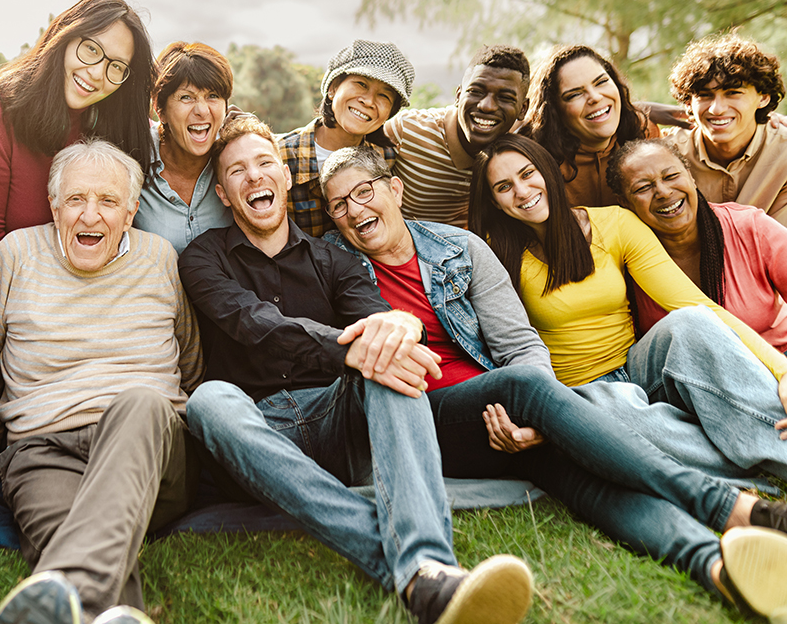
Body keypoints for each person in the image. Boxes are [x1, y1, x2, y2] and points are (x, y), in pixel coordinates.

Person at [318, 145, 787, 615]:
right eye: (339, 205)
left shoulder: (459, 248)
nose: (355, 210)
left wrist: (534, 422)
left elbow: (519, 346)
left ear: (395, 190)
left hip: (501, 414)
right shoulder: (334, 268)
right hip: (425, 416)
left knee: (588, 483)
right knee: (521, 386)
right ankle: (729, 508)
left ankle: (717, 570)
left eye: (364, 191)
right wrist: (530, 397)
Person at [180, 115, 535, 624]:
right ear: (224, 193)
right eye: (238, 172)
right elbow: (253, 321)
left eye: (264, 163)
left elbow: (379, 320)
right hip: (258, 429)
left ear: (284, 175)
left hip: (337, 421)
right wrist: (347, 349)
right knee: (208, 400)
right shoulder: (201, 257)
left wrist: (396, 331)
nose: (254, 177)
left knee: (391, 364)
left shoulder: (335, 260)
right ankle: (415, 572)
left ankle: (428, 565)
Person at [468, 133, 787, 482]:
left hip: (638, 369)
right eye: (503, 186)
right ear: (495, 203)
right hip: (578, 394)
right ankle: (745, 466)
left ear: (547, 170)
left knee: (690, 321)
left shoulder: (615, 224)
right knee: (618, 413)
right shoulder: (493, 255)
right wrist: (544, 414)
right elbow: (507, 347)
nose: (522, 191)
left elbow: (694, 302)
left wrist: (783, 372)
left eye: (528, 173)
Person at [0, 139, 201, 624]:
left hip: (147, 444)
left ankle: (67, 592)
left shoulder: (159, 258)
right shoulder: (14, 256)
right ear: (54, 206)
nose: (90, 215)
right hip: (42, 450)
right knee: (76, 537)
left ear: (132, 209)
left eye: (108, 201)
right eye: (76, 199)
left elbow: (191, 362)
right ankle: (106, 610)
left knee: (139, 402)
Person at [0, 0, 155, 279]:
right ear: (64, 38)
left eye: (116, 67)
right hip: (23, 299)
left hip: (109, 295)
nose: (98, 73)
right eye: (90, 49)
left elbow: (168, 132)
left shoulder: (118, 121)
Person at [607, 137, 787, 349]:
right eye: (643, 187)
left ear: (690, 177)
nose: (664, 192)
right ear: (625, 202)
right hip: (685, 377)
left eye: (671, 176)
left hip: (776, 363)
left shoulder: (750, 227)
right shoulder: (622, 261)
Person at [384, 45, 529, 227]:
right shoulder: (407, 131)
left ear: (523, 109)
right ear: (459, 96)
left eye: (505, 97)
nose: (487, 106)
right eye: (476, 91)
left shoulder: (520, 156)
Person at [279, 39, 412, 238]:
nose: (368, 101)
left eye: (384, 96)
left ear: (389, 114)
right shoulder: (280, 155)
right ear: (332, 88)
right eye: (361, 84)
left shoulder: (386, 158)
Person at [662, 33, 787, 225]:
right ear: (688, 103)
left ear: (763, 97)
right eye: (704, 95)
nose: (717, 109)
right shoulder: (666, 154)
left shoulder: (783, 153)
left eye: (733, 93)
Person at [520, 45, 659, 207]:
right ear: (554, 110)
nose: (595, 97)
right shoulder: (532, 160)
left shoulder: (645, 131)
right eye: (575, 94)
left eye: (601, 82)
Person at [132, 41, 234, 253]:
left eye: (213, 96)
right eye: (186, 97)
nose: (202, 111)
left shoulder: (235, 157)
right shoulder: (132, 156)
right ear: (161, 111)